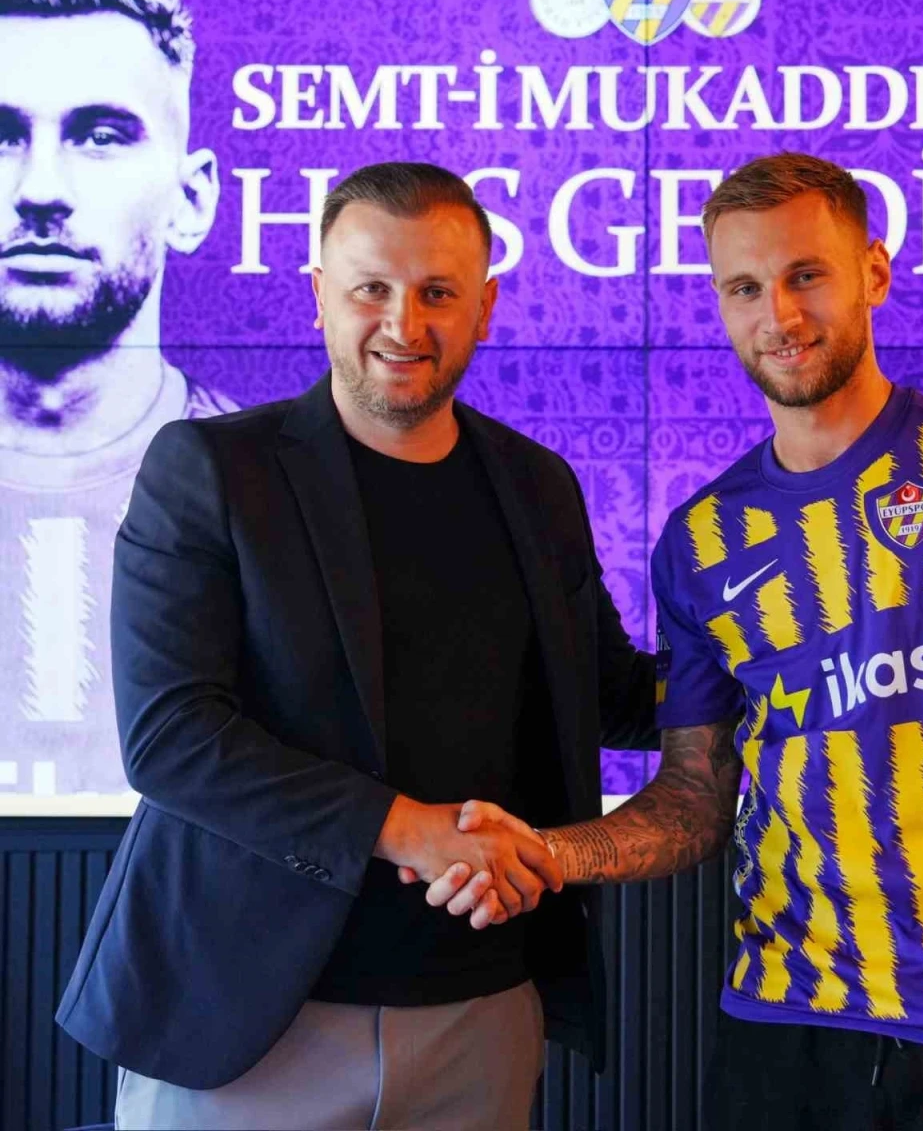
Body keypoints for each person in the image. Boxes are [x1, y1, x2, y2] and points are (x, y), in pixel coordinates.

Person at [440, 153, 923, 1131]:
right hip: (784, 1018)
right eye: (743, 287)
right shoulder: (700, 539)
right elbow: (694, 799)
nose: (778, 314)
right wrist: (552, 853)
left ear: (873, 273)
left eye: (804, 274)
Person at [55, 161, 656, 1130]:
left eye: (437, 293)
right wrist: (411, 827)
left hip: (480, 1012)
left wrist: (802, 664)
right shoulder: (211, 468)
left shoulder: (537, 484)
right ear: (319, 295)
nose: (402, 324)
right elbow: (171, 737)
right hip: (245, 1016)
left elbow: (612, 695)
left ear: (486, 305)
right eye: (371, 287)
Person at [0, 0, 233, 800]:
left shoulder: (288, 496)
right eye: (0, 137)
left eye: (100, 136)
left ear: (191, 199)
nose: (40, 190)